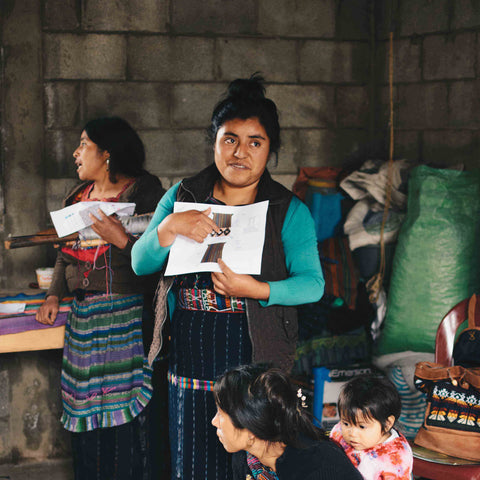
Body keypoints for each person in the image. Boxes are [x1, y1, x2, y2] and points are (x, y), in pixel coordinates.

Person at [131, 74, 325, 479]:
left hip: (253, 357)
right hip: (190, 353)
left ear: (270, 150)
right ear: (214, 141)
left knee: (246, 461)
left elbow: (313, 283)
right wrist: (170, 227)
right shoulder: (182, 196)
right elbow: (139, 262)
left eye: (255, 142)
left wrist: (255, 289)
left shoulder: (287, 210)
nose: (240, 152)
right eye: (230, 139)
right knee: (190, 456)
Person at [36, 116, 167, 479]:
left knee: (124, 413)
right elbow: (65, 251)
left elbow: (159, 254)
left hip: (126, 318)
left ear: (106, 153)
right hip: (85, 319)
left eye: (84, 145)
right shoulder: (78, 198)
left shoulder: (144, 192)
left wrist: (118, 236)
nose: (76, 153)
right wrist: (53, 295)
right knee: (86, 410)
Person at [212, 364, 364, 479]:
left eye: (220, 414)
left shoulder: (319, 465)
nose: (214, 422)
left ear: (250, 427)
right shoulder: (245, 461)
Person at [329, 374, 413, 480]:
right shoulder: (341, 431)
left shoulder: (394, 461)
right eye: (346, 423)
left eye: (362, 427)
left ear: (387, 424)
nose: (352, 433)